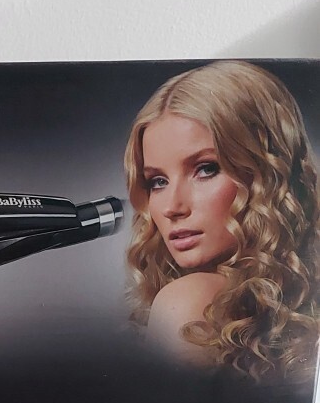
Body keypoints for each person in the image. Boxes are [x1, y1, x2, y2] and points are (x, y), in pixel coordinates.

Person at [124, 60, 320, 383]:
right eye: (158, 181)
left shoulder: (186, 302)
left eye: (206, 169)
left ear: (267, 174)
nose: (172, 207)